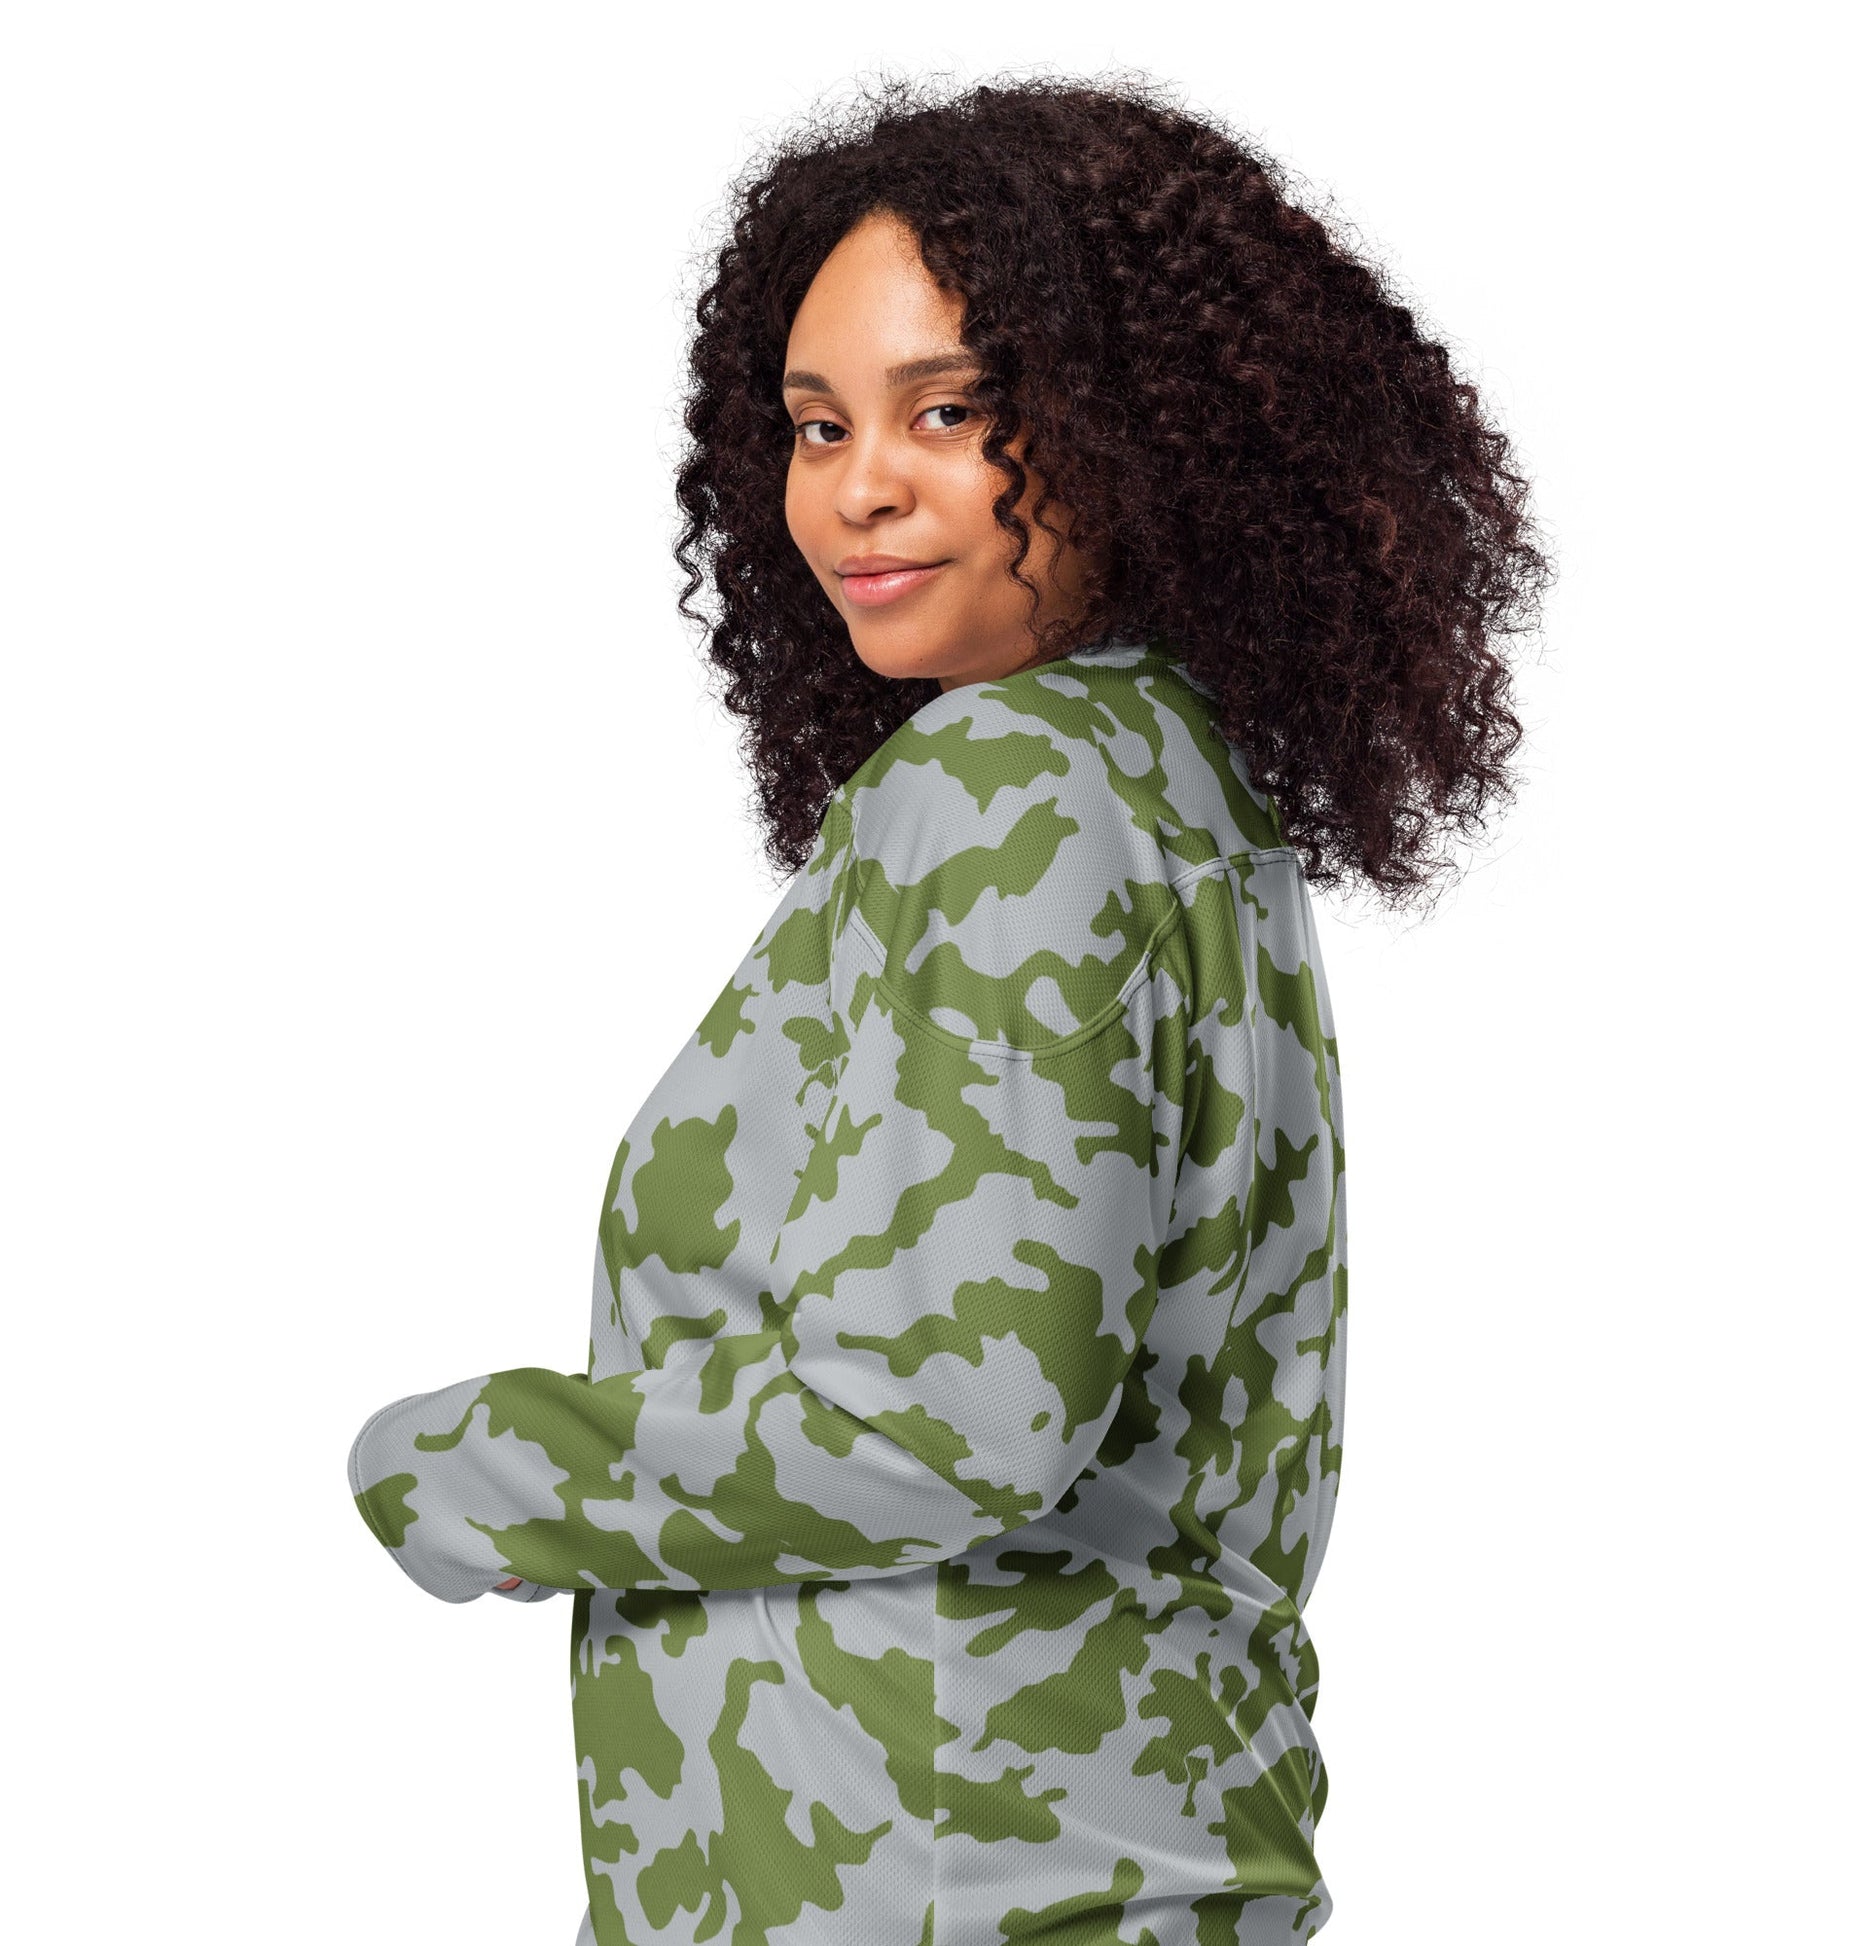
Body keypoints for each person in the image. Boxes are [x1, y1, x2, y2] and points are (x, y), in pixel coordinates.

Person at [346, 72, 1549, 1946]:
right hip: (1045, 1856)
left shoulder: (1008, 789)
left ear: (1134, 426)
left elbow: (958, 1416)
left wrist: (474, 1465)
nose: (860, 487)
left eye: (951, 410)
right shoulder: (1164, 780)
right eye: (818, 424)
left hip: (944, 1882)